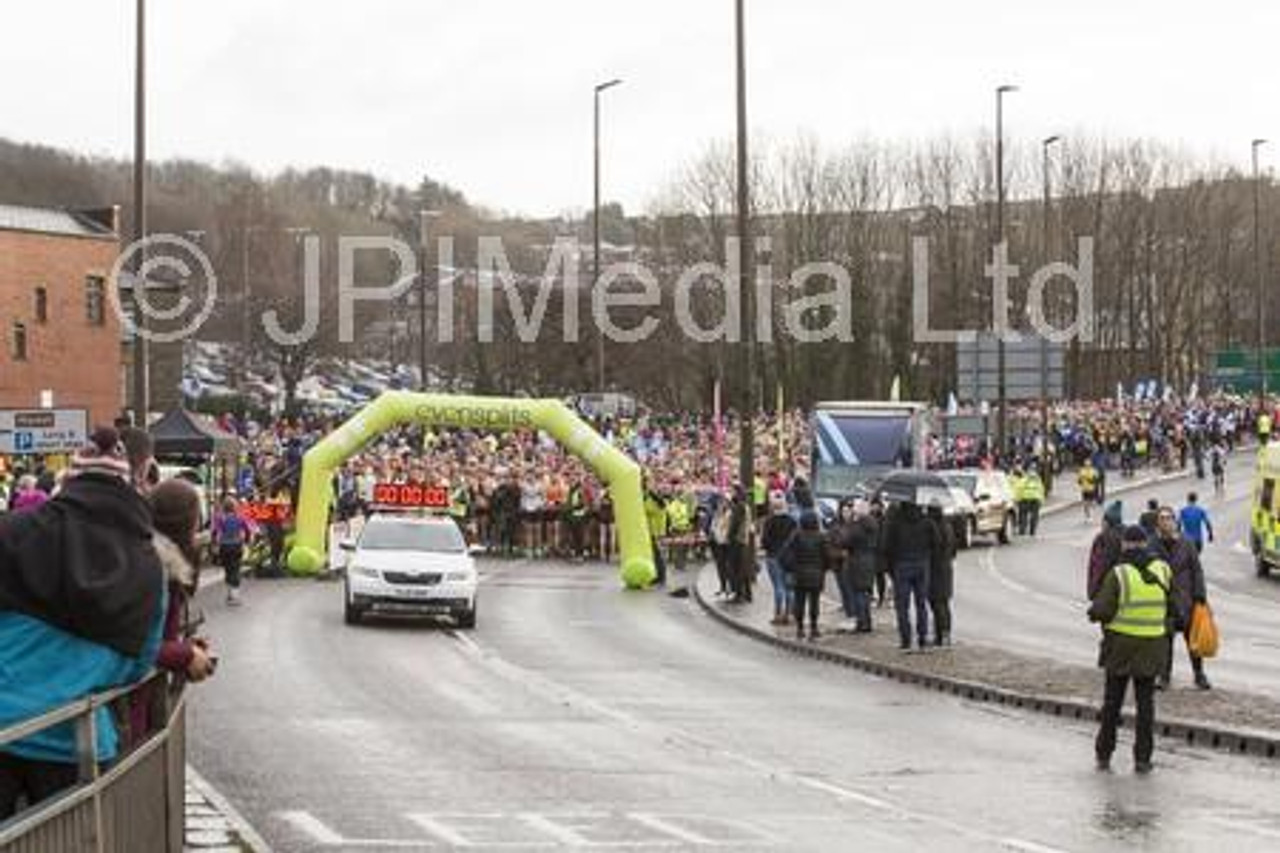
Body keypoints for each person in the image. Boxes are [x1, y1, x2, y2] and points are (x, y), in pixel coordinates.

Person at [0, 427, 166, 819]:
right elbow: (140, 662)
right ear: (130, 487)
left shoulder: (12, 532)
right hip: (78, 743)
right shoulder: (147, 564)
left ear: (69, 481)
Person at [1089, 525, 1174, 774]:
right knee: (1145, 705)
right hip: (1152, 645)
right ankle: (1143, 758)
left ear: (1125, 545)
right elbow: (1172, 606)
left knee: (1112, 703)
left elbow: (1103, 609)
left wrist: (1093, 613)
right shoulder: (1163, 569)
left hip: (1120, 647)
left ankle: (1104, 752)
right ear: (1145, 543)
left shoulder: (1120, 573)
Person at [1155, 506, 1211, 690]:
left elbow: (1197, 570)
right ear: (1158, 522)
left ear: (1174, 521)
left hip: (1187, 600)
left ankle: (1199, 675)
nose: (1166, 521)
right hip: (1165, 602)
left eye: (1169, 518)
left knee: (1192, 640)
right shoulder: (1153, 544)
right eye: (1162, 518)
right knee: (1165, 643)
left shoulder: (1187, 543)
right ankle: (1164, 677)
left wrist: (1200, 595)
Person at [882, 501, 939, 651]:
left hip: (901, 565)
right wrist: (927, 555)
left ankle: (905, 639)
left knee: (902, 606)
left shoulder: (896, 523)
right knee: (921, 604)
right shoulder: (927, 522)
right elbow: (936, 542)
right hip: (922, 564)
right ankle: (922, 638)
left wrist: (891, 566)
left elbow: (886, 546)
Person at [780, 511, 830, 641]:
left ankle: (800, 628)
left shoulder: (796, 536)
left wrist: (790, 568)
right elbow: (827, 555)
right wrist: (824, 568)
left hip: (799, 573)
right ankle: (814, 628)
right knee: (814, 602)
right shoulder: (821, 537)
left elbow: (784, 553)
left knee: (799, 602)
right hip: (816, 574)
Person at [760, 492, 797, 626]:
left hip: (773, 557)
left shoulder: (769, 521)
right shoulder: (792, 521)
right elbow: (796, 539)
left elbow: (764, 541)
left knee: (778, 586)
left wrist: (769, 547)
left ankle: (778, 614)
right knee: (790, 587)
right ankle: (790, 614)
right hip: (789, 558)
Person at [926, 503, 957, 646]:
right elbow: (954, 550)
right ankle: (945, 633)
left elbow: (932, 547)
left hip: (935, 568)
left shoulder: (933, 527)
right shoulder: (947, 526)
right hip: (946, 567)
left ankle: (941, 635)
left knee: (937, 603)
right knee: (943, 602)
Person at [213, 498, 251, 606]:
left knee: (228, 570)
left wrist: (215, 545)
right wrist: (246, 542)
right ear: (234, 507)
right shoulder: (240, 518)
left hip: (224, 547)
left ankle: (230, 595)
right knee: (235, 569)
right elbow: (247, 530)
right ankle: (235, 597)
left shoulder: (220, 518)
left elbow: (215, 532)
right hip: (236, 546)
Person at [1087, 501, 1126, 600]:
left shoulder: (1103, 539)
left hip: (1107, 590)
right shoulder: (1127, 535)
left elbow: (1100, 566)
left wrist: (1093, 591)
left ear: (1107, 522)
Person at [1017, 467, 1046, 536]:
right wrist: (1042, 500)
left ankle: (1022, 530)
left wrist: (1018, 499)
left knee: (1024, 515)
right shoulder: (1038, 480)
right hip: (1035, 499)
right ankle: (1032, 530)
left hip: (1025, 499)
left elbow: (1019, 489)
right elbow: (1041, 490)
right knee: (1034, 516)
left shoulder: (1024, 479)